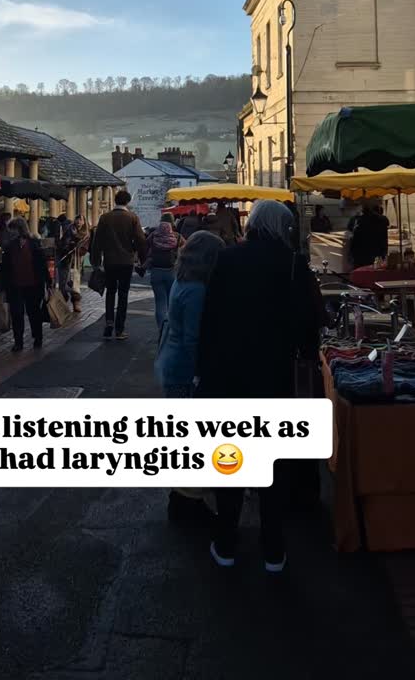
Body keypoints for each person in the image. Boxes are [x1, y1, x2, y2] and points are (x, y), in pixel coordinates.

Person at [196, 200, 323, 573]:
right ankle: (273, 549)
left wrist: (202, 370)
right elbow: (310, 324)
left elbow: (210, 319)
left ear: (253, 224)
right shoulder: (294, 264)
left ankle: (226, 542)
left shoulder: (228, 259)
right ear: (281, 227)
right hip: (274, 375)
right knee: (274, 463)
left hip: (228, 373)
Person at [155, 230, 225, 524]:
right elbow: (193, 338)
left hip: (171, 363)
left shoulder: (182, 280)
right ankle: (187, 503)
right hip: (184, 369)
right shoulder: (197, 290)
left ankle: (181, 499)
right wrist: (201, 372)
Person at [91, 189, 147, 340]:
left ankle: (109, 322)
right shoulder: (132, 217)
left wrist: (96, 262)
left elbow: (97, 241)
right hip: (126, 261)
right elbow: (140, 240)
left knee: (110, 292)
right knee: (123, 294)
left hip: (110, 261)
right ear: (127, 201)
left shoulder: (105, 218)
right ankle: (119, 329)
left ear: (115, 201)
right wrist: (142, 259)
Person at [1, 216, 51, 352]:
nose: (10, 233)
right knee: (16, 314)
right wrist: (3, 286)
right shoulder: (10, 246)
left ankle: (38, 337)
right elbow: (5, 267)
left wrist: (48, 282)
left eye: (12, 230)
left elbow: (42, 264)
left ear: (20, 229)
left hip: (33, 284)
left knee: (34, 313)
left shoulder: (34, 243)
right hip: (15, 285)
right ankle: (18, 341)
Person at [144, 213, 184, 328]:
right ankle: (170, 328)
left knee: (160, 302)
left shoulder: (153, 235)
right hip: (171, 271)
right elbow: (186, 248)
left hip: (156, 271)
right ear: (172, 222)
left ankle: (161, 328)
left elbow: (145, 246)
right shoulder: (177, 236)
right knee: (171, 301)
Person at [348, 203, 389, 268]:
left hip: (362, 254)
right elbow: (384, 239)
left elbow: (355, 238)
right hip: (376, 253)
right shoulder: (382, 219)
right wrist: (384, 253)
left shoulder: (360, 220)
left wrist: (351, 253)